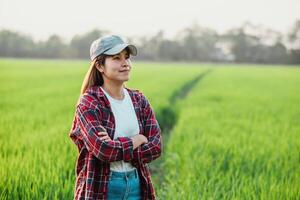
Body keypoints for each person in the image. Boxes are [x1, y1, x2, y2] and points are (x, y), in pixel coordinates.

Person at [69, 35, 163, 200]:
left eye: (127, 57)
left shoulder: (139, 100)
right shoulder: (89, 102)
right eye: (116, 58)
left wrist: (116, 145)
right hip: (102, 187)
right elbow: (103, 150)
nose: (125, 63)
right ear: (99, 65)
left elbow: (156, 147)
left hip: (137, 185)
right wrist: (138, 139)